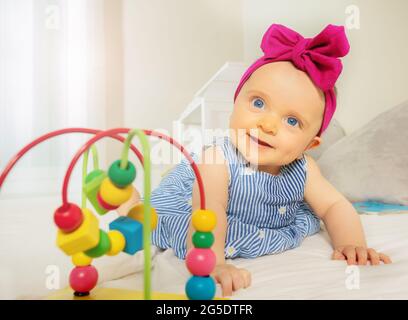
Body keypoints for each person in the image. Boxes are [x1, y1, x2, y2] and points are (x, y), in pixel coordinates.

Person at [122, 24, 392, 297]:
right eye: (259, 103)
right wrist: (213, 262)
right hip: (198, 208)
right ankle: (131, 202)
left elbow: (334, 205)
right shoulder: (217, 158)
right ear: (235, 104)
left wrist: (351, 243)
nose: (268, 124)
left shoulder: (305, 169)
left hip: (258, 221)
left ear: (309, 145)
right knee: (150, 220)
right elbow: (209, 209)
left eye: (292, 121)